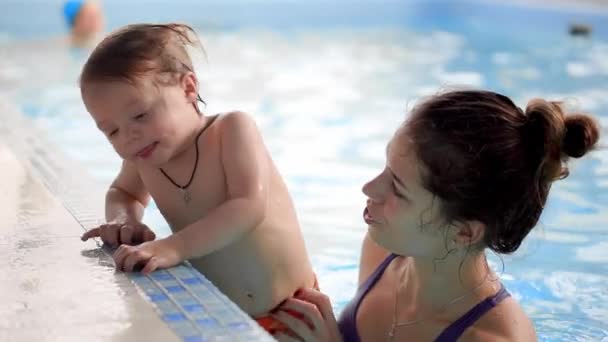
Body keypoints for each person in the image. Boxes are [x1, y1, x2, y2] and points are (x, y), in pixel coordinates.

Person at [270, 90, 600, 341]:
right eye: (385, 168)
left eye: (398, 188)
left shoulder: (493, 338)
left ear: (464, 232)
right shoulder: (383, 249)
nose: (368, 188)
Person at [78, 23, 316, 330]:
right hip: (222, 320)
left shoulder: (231, 130)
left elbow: (247, 206)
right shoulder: (144, 157)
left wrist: (171, 248)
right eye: (111, 130)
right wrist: (124, 221)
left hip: (294, 317)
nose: (128, 137)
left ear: (189, 88)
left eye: (140, 115)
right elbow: (124, 193)